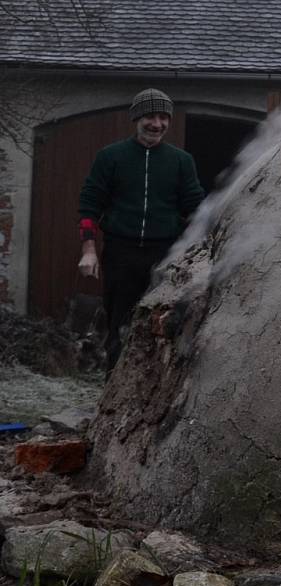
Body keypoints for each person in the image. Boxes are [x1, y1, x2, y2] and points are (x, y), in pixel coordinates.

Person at [77, 88, 205, 375]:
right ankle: (113, 392)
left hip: (165, 256)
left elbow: (195, 208)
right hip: (121, 254)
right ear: (137, 118)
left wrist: (197, 246)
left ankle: (153, 391)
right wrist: (88, 250)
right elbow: (89, 205)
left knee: (163, 325)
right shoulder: (110, 157)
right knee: (118, 327)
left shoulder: (181, 161)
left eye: (163, 118)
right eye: (150, 116)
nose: (156, 124)